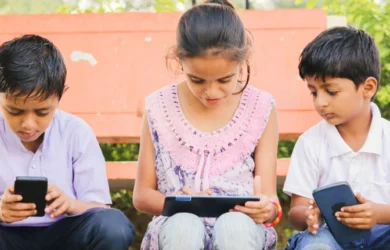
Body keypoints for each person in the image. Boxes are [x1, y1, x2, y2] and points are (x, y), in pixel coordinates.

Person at [133, 0, 282, 249]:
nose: (211, 92)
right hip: (176, 228)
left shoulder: (261, 107)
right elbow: (142, 195)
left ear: (242, 61)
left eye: (225, 79)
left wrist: (266, 210)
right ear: (179, 61)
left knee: (233, 227)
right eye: (197, 79)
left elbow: (270, 199)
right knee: (184, 226)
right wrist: (183, 204)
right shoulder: (158, 107)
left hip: (241, 231)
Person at [0, 34, 135, 250]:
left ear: (60, 97)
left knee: (113, 225)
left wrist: (70, 205)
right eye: (14, 111)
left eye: (43, 112)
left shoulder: (76, 132)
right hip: (7, 237)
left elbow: (99, 208)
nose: (28, 124)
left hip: (65, 236)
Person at [283, 26, 390, 250]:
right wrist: (311, 215)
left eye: (331, 91)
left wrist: (378, 213)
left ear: (367, 88)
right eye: (314, 92)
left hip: (383, 233)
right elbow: (297, 210)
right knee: (316, 245)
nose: (320, 102)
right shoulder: (311, 142)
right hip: (327, 236)